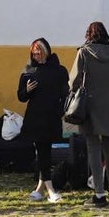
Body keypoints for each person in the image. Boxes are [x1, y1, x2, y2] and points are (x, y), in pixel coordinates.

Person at [69, 21, 109, 207]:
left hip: (90, 105)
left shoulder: (84, 52)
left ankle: (99, 194)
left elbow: (73, 81)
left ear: (88, 34)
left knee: (93, 148)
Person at [17, 37, 69, 204]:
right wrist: (26, 90)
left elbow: (65, 93)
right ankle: (51, 191)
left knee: (44, 152)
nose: (37, 55)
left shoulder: (59, 70)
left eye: (39, 52)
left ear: (46, 51)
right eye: (34, 53)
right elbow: (21, 97)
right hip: (35, 117)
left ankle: (39, 190)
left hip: (52, 116)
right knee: (42, 152)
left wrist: (61, 111)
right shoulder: (29, 70)